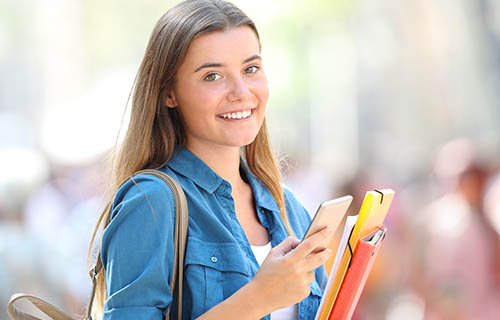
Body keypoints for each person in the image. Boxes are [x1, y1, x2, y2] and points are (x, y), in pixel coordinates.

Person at [88, 1, 332, 319]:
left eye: (251, 69)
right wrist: (258, 298)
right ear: (168, 93)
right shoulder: (152, 201)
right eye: (212, 76)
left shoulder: (286, 207)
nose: (241, 91)